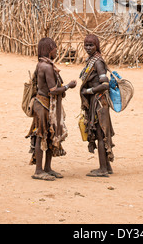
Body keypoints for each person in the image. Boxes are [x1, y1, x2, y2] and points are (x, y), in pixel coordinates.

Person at [26, 37, 77, 181]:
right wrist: (68, 86)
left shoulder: (42, 64)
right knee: (41, 136)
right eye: (55, 48)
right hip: (43, 105)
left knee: (49, 135)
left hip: (44, 104)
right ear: (49, 49)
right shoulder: (47, 67)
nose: (57, 51)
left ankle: (47, 168)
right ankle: (38, 170)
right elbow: (53, 90)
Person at [80, 34, 115, 178]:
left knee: (100, 134)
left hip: (99, 102)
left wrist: (88, 91)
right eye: (86, 45)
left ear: (97, 46)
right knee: (101, 134)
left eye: (91, 45)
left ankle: (102, 169)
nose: (88, 48)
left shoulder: (98, 62)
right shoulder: (92, 60)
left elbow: (105, 84)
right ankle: (107, 166)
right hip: (96, 101)